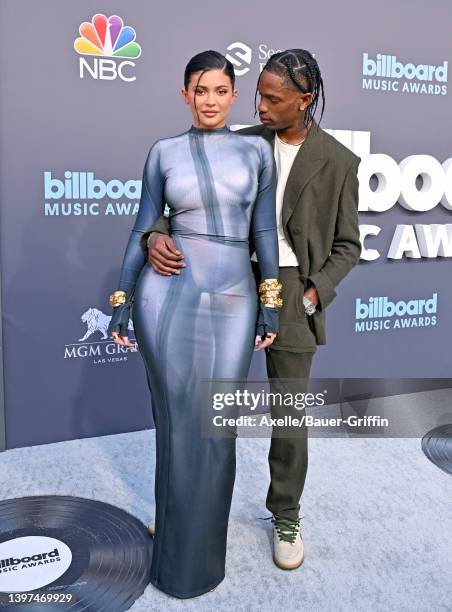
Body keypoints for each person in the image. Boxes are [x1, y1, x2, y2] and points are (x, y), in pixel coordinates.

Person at [147, 49, 362, 571]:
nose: (260, 106)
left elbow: (348, 246)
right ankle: (188, 510)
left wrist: (313, 292)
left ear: (304, 101)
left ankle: (285, 513)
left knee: (288, 411)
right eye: (259, 95)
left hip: (292, 292)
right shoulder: (242, 142)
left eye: (274, 98)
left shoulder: (337, 161)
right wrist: (157, 234)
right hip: (226, 283)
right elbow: (182, 207)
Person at [107, 50, 281, 599]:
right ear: (185, 93)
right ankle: (175, 547)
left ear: (234, 95)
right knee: (178, 421)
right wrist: (123, 299)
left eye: (220, 91)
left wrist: (270, 301)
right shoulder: (164, 152)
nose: (210, 101)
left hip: (234, 297)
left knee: (215, 427)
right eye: (199, 90)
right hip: (168, 296)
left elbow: (265, 235)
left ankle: (201, 555)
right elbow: (143, 225)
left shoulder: (257, 152)